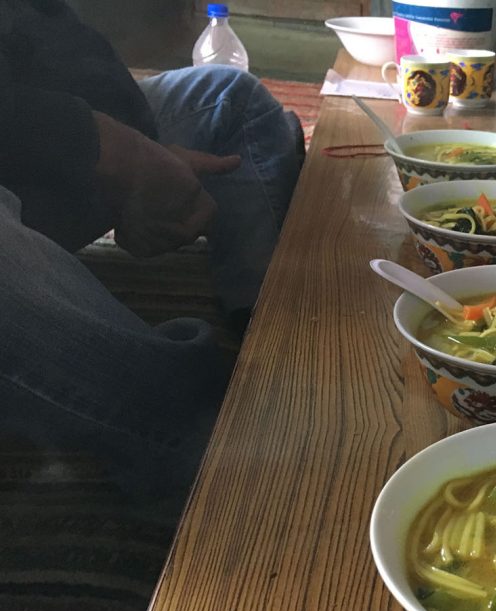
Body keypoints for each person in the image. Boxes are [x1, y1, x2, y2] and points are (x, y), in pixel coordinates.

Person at [0, 0, 304, 493]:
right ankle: (225, 443)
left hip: (50, 144)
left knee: (228, 97)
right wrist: (117, 152)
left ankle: (265, 324)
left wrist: (133, 143)